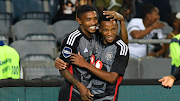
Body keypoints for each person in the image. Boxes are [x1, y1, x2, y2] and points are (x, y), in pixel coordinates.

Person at [55, 5, 128, 101]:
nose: (93, 23)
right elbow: (63, 68)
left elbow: (122, 44)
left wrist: (122, 20)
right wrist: (79, 86)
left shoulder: (98, 34)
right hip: (72, 93)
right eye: (88, 19)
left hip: (90, 95)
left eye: (95, 18)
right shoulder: (73, 39)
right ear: (79, 20)